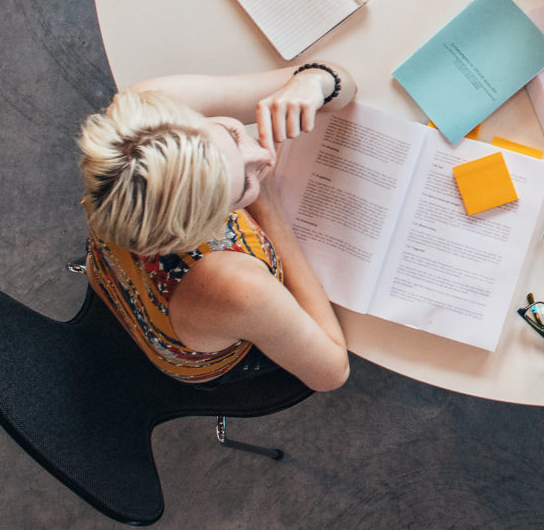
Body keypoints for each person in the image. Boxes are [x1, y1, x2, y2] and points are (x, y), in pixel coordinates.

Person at [77, 63, 355, 392]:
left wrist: (313, 82)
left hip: (112, 274)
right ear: (205, 229)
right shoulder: (236, 286)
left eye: (232, 134)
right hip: (199, 352)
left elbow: (341, 81)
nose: (263, 155)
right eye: (242, 188)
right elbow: (332, 372)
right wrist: (268, 208)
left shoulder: (147, 111)